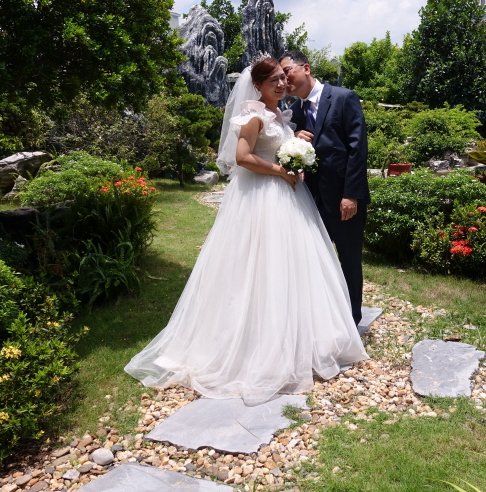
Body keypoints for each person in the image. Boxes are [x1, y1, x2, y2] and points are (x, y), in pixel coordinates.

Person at [124, 56, 367, 406]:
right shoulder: (253, 113)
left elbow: (288, 146)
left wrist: (295, 141)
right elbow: (242, 157)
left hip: (288, 199)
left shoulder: (282, 113)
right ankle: (254, 344)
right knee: (258, 267)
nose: (282, 84)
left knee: (289, 268)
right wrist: (280, 170)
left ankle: (299, 335)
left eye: (283, 78)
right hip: (262, 198)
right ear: (257, 86)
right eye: (274, 81)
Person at [279, 51, 370, 327]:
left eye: (287, 71)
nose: (284, 79)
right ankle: (322, 319)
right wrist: (293, 136)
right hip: (310, 201)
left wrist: (351, 195)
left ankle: (352, 320)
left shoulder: (343, 98)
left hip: (344, 199)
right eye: (280, 75)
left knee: (349, 260)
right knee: (313, 260)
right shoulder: (294, 112)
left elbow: (357, 148)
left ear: (305, 68)